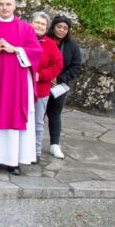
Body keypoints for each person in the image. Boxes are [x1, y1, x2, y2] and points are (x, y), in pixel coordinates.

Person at [0, 0, 43, 175]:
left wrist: (16, 50)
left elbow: (36, 52)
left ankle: (13, 161)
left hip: (16, 84)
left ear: (14, 6)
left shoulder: (25, 29)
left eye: (8, 4)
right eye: (1, 4)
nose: (4, 8)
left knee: (13, 115)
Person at [45, 15, 82, 160]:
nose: (61, 30)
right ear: (53, 26)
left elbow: (76, 66)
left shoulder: (72, 46)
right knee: (37, 114)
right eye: (59, 27)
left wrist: (60, 78)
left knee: (55, 114)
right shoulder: (44, 41)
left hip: (59, 85)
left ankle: (55, 144)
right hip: (41, 82)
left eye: (65, 28)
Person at [30, 12, 63, 162]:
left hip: (41, 90)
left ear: (47, 27)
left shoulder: (50, 44)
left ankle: (35, 151)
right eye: (37, 22)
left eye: (43, 24)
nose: (39, 26)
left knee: (37, 121)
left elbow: (57, 65)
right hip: (20, 88)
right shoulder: (22, 40)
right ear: (30, 23)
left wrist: (41, 75)